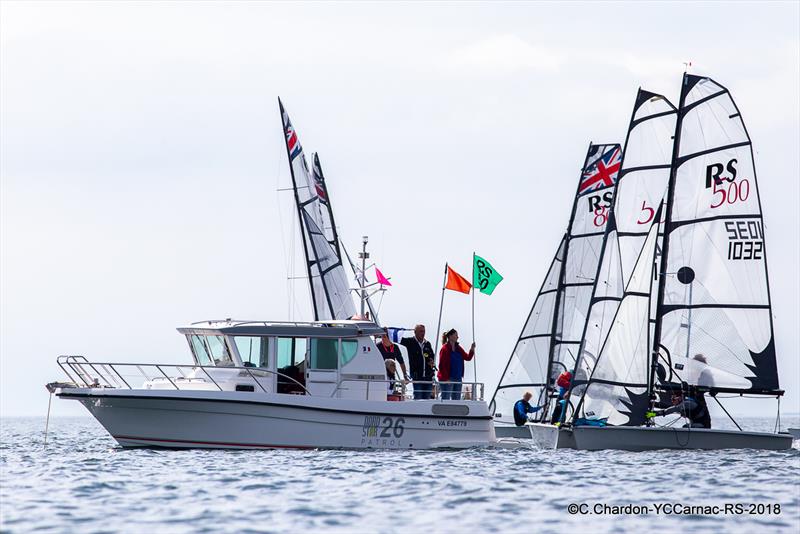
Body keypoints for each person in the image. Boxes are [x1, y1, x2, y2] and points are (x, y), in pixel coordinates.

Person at [437, 329, 475, 400]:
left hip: (458, 378)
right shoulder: (444, 349)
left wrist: (472, 349)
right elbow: (441, 365)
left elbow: (467, 357)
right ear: (450, 336)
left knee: (457, 400)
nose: (458, 337)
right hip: (448, 378)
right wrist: (446, 378)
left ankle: (454, 411)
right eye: (456, 335)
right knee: (446, 398)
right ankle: (444, 411)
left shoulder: (458, 348)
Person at [400, 324, 436, 400]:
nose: (423, 333)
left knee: (427, 400)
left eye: (424, 331)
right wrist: (387, 332)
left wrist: (431, 361)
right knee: (418, 398)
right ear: (415, 332)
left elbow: (432, 356)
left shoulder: (427, 344)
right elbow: (398, 339)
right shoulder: (410, 342)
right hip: (417, 377)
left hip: (428, 377)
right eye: (421, 331)